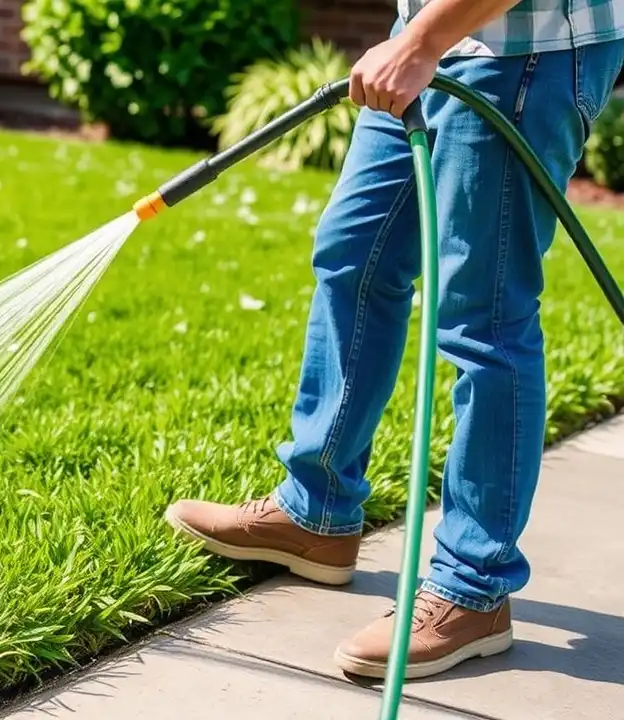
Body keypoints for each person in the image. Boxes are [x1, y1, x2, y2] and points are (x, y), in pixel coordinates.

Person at [164, 0, 624, 680]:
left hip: (521, 51)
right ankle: (316, 511)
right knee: (354, 259)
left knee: (484, 319)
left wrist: (421, 42)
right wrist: (418, 38)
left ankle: (475, 588)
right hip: (431, 37)